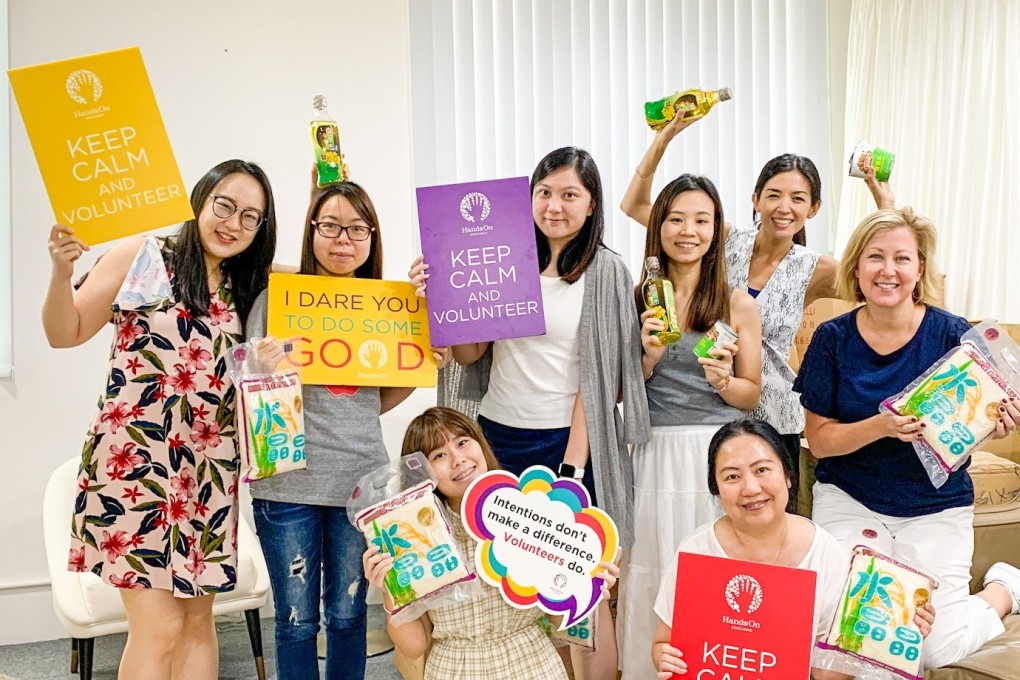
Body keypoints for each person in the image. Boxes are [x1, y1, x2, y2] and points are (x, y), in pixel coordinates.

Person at [412, 146, 650, 680]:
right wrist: (441, 297)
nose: (554, 206)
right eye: (544, 193)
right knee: (516, 584)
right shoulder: (501, 255)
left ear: (592, 204)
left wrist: (573, 467)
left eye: (570, 195)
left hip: (568, 442)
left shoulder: (606, 271)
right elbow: (471, 355)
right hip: (496, 440)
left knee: (579, 588)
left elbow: (599, 379)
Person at [44, 159, 277, 679]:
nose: (233, 224)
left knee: (197, 623)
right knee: (160, 627)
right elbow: (64, 332)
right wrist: (61, 274)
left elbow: (328, 279)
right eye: (224, 205)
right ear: (199, 200)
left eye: (250, 216)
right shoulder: (144, 256)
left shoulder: (248, 284)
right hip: (134, 466)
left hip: (208, 474)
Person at [794, 206, 1020, 669]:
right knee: (847, 638)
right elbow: (820, 443)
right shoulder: (832, 339)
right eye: (875, 257)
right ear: (857, 268)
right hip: (850, 499)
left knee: (932, 650)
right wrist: (881, 425)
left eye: (902, 258)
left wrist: (993, 425)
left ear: (920, 269)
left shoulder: (956, 337)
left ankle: (1002, 591)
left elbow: (967, 429)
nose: (888, 270)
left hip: (936, 505)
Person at [246, 181, 450, 680]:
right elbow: (252, 397)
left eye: (358, 229)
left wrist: (423, 362)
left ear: (372, 238)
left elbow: (374, 401)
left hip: (361, 484)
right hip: (286, 483)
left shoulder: (387, 304)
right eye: (331, 226)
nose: (344, 239)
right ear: (311, 231)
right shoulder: (276, 300)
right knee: (296, 622)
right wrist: (263, 369)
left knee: (348, 613)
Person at [620, 115, 839, 510]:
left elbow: (877, 281)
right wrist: (663, 138)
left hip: (773, 418)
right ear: (755, 200)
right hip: (709, 420)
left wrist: (884, 203)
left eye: (798, 198)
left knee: (761, 528)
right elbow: (636, 206)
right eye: (773, 195)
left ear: (814, 207)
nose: (784, 207)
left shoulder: (816, 267)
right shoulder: (721, 238)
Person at [650, 419, 936, 680]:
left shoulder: (824, 553)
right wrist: (665, 658)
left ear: (788, 475)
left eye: (762, 470)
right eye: (732, 477)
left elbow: (824, 675)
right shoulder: (696, 551)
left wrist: (892, 630)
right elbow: (663, 642)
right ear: (716, 489)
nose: (751, 488)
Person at [617, 174, 763, 678]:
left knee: (715, 569)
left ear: (716, 230)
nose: (689, 231)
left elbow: (751, 394)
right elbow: (620, 391)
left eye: (702, 220)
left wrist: (723, 381)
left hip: (717, 454)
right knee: (653, 568)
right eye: (677, 219)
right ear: (658, 226)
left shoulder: (737, 302)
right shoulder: (636, 298)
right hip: (654, 449)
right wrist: (648, 359)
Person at [363, 406, 620, 680]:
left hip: (533, 664)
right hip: (453, 670)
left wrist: (585, 587)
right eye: (439, 455)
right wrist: (390, 589)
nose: (458, 459)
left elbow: (559, 622)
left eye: (463, 442)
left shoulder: (529, 515)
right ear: (421, 473)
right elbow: (414, 645)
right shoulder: (414, 539)